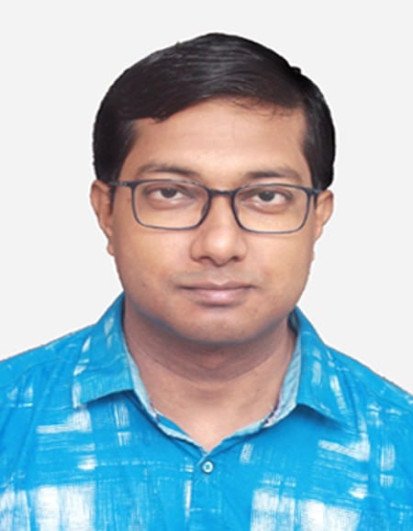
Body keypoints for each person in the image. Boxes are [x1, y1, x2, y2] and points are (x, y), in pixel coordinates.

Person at [1, 32, 412, 530]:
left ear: (317, 217)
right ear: (106, 211)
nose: (219, 244)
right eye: (171, 193)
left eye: (267, 197)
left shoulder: (401, 447)